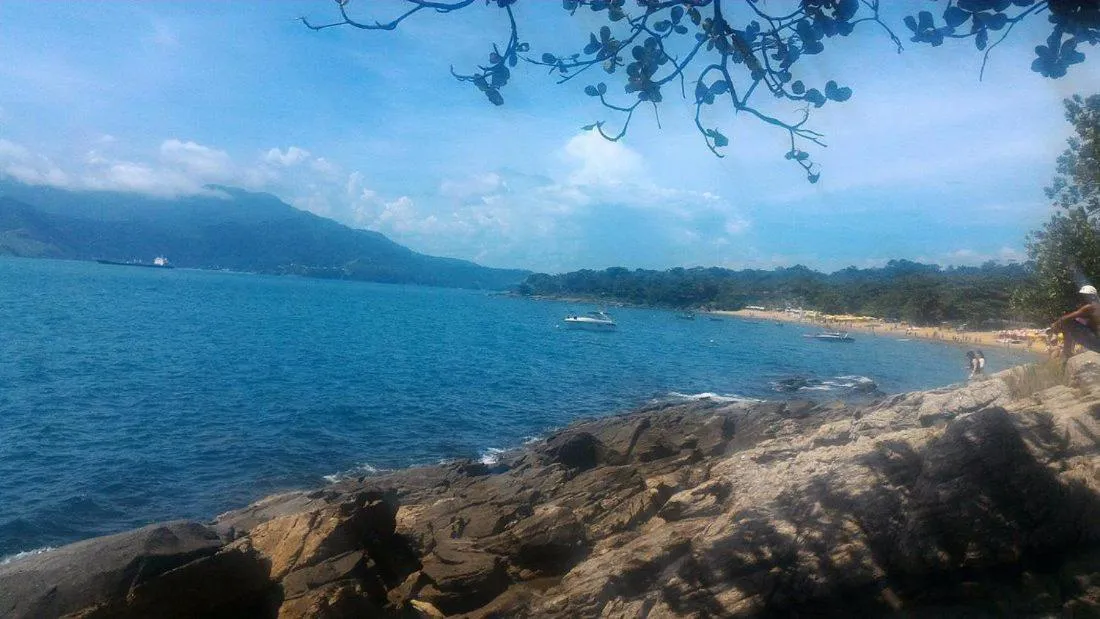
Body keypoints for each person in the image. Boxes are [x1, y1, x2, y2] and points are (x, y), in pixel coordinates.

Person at [1050, 284, 1100, 362]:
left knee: (1068, 323)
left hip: (1096, 342)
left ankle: (1067, 353)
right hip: (1095, 340)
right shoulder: (1096, 306)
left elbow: (1066, 318)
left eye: (1085, 295)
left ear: (1092, 296)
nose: (1082, 297)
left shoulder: (1090, 307)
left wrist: (1055, 325)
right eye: (1082, 295)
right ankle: (1067, 353)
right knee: (1068, 322)